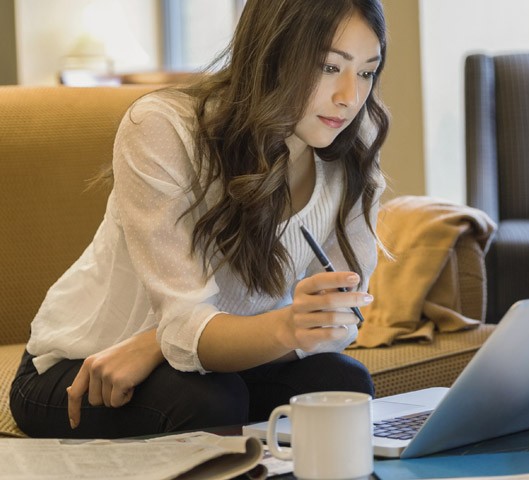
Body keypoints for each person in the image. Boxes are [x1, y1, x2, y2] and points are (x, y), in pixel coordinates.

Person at [10, 0, 389, 439]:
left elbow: (336, 327)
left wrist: (160, 343)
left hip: (214, 359)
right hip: (85, 361)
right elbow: (186, 321)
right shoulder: (163, 129)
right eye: (328, 67)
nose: (349, 97)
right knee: (210, 400)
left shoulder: (351, 151)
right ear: (272, 52)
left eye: (365, 72)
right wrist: (281, 325)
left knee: (341, 384)